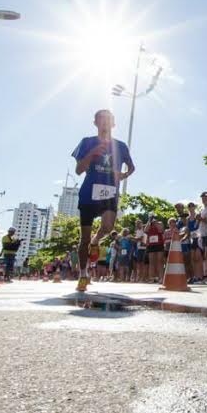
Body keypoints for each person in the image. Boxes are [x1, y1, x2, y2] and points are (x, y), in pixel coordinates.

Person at [71, 109, 135, 292]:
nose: (105, 122)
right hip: (88, 193)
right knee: (83, 239)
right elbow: (78, 170)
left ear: (114, 123)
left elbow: (131, 167)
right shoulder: (87, 142)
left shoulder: (121, 146)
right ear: (95, 123)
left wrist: (122, 175)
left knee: (108, 227)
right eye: (101, 119)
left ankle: (96, 240)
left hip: (109, 192)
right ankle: (83, 274)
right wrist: (91, 154)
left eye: (109, 120)